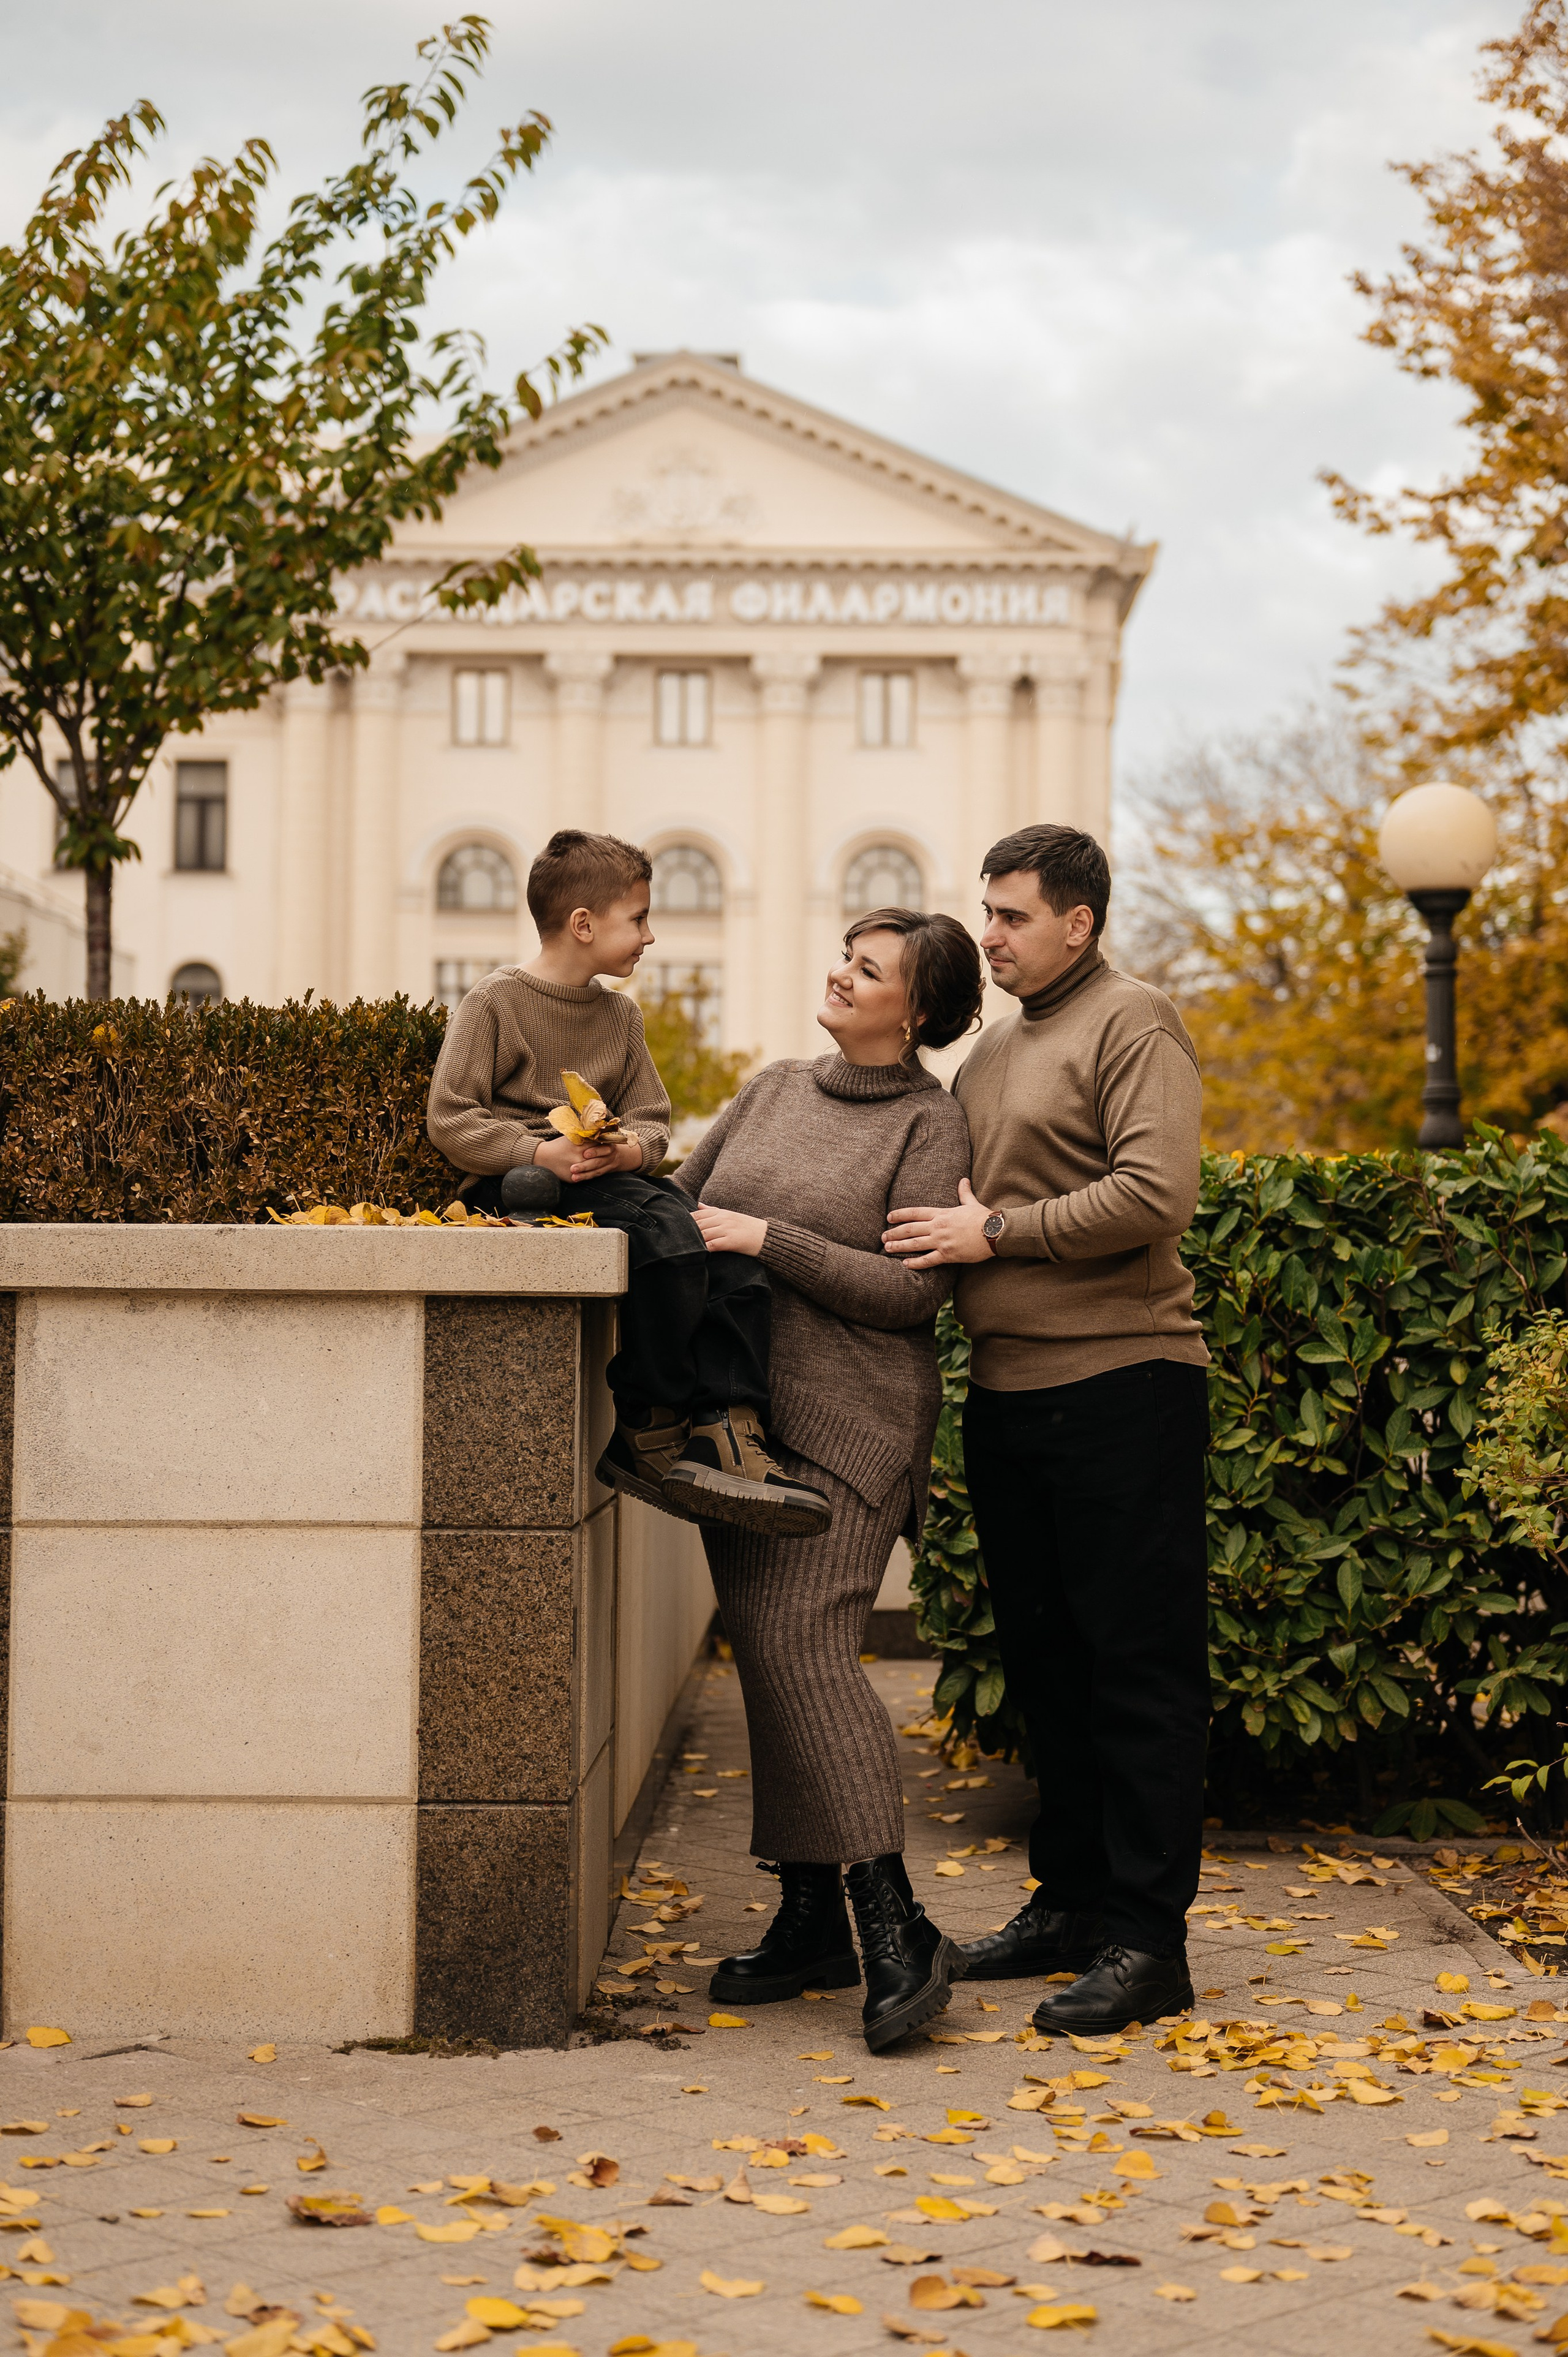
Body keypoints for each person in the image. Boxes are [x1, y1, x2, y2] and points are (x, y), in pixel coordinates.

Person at [884, 823, 1208, 2035]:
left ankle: (1148, 1942)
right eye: (987, 910)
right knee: (1050, 1671)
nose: (990, 934)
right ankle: (1071, 1905)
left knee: (1137, 1672)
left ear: (1079, 922)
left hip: (1124, 1382)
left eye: (1012, 914)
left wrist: (998, 1235)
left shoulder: (1133, 1020)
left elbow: (1155, 1192)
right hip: (1009, 1393)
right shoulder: (992, 1049)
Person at [672, 907, 982, 2051]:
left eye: (870, 970)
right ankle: (808, 1917)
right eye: (846, 960)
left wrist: (769, 1239)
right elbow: (678, 1205)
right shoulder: (768, 1089)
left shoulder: (929, 1122)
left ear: (919, 1009)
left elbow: (914, 1292)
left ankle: (893, 1920)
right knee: (766, 1651)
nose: (843, 978)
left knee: (804, 1643)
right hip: (740, 1425)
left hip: (856, 1424)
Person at [425, 826, 829, 1533]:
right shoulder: (495, 1001)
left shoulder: (621, 1016)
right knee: (667, 1239)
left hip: (607, 1179)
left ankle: (727, 1427)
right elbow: (451, 1118)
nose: (650, 935)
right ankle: (647, 1425)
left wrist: (629, 1151)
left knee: (721, 1242)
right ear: (583, 924)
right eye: (638, 918)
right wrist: (537, 1152)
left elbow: (652, 1120)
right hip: (524, 1186)